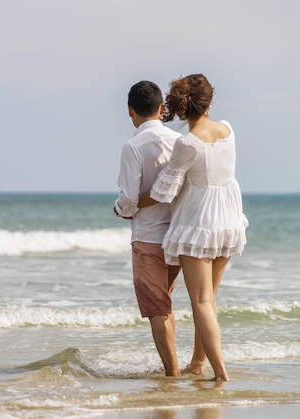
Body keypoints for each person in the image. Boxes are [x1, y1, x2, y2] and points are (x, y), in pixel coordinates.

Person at [139, 74, 248, 381]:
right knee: (209, 299)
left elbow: (163, 191)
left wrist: (131, 204)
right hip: (227, 220)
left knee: (200, 301)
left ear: (180, 107)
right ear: (209, 101)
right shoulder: (228, 130)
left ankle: (221, 374)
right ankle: (198, 364)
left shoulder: (188, 143)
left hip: (199, 223)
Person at [114, 80, 183, 376]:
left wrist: (120, 210)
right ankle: (174, 366)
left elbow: (128, 199)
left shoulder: (133, 146)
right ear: (161, 108)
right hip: (179, 234)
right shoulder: (180, 141)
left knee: (157, 309)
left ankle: (172, 374)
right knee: (165, 304)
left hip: (149, 237)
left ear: (130, 111)